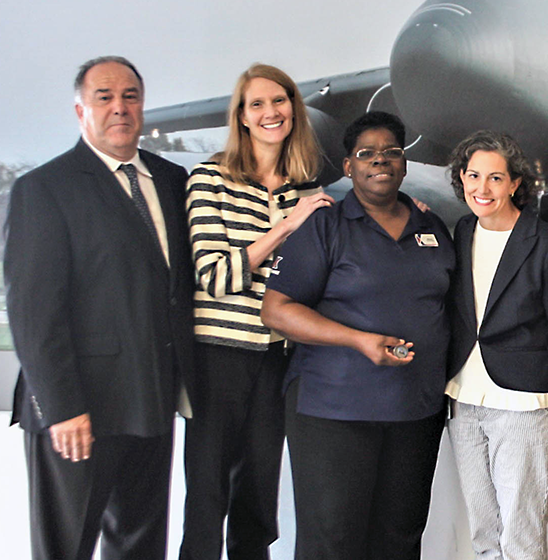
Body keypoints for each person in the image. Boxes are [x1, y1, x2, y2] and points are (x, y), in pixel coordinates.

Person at [4, 56, 195, 560]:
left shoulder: (172, 180)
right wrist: (63, 408)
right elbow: (33, 312)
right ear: (80, 110)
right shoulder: (44, 189)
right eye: (104, 97)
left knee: (139, 544)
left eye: (130, 96)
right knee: (65, 548)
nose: (119, 107)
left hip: (151, 403)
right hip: (78, 411)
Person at [260, 111, 454, 560]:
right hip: (334, 411)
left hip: (414, 412)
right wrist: (357, 340)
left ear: (404, 164)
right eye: (366, 153)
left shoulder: (432, 227)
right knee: (333, 541)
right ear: (348, 167)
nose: (379, 160)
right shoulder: (325, 225)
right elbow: (277, 310)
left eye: (391, 152)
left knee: (400, 539)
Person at [180, 63, 334, 560]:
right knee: (206, 498)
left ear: (294, 109)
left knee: (258, 500)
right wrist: (287, 226)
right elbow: (216, 276)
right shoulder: (209, 179)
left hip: (276, 360)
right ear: (241, 117)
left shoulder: (301, 190)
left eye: (280, 100)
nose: (271, 112)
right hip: (217, 357)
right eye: (257, 104)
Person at [444, 130, 548, 560]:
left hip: (523, 404)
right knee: (485, 537)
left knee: (521, 540)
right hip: (464, 402)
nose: (482, 188)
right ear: (461, 179)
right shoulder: (462, 231)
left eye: (494, 178)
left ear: (514, 184)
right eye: (473, 176)